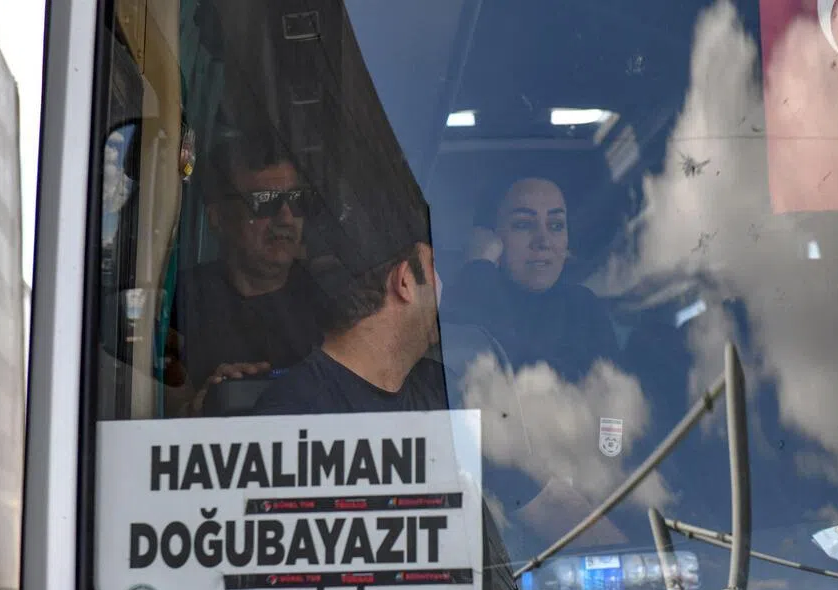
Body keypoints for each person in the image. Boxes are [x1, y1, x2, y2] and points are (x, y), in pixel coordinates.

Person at [168, 135, 327, 416]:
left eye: (298, 200)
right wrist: (200, 405)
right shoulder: (178, 302)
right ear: (218, 217)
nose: (287, 218)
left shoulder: (332, 303)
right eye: (265, 202)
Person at [252, 195, 446, 416]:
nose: (442, 284)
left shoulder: (441, 387)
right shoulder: (293, 417)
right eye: (433, 265)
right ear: (405, 281)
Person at [443, 176, 618, 381]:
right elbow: (491, 368)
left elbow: (614, 405)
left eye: (555, 226)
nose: (543, 241)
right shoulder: (452, 306)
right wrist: (479, 270)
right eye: (523, 224)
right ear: (489, 237)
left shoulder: (585, 310)